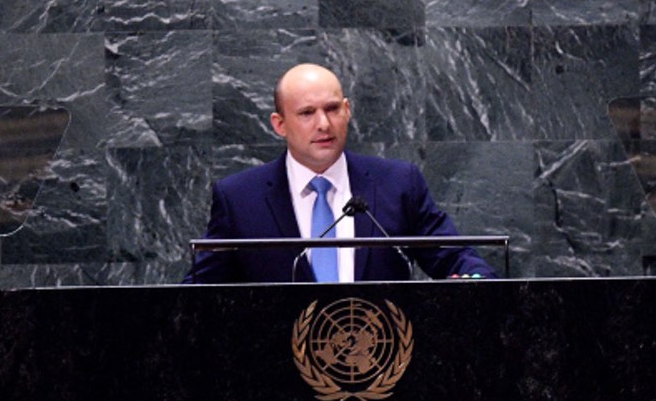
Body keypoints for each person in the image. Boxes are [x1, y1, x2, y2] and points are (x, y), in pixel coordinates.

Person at [185, 63, 496, 283]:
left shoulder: (397, 184)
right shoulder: (240, 199)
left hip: (385, 364)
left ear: (347, 110)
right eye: (307, 113)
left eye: (332, 109)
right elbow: (199, 291)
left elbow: (455, 257)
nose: (324, 124)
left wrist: (476, 280)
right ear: (279, 124)